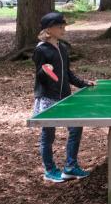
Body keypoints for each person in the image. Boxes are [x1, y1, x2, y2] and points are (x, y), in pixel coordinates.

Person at [32, 12, 97, 183]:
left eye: (64, 26)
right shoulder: (41, 49)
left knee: (76, 128)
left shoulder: (62, 48)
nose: (63, 29)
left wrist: (83, 83)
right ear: (48, 29)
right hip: (47, 97)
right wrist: (44, 70)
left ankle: (70, 167)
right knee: (48, 135)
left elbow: (67, 73)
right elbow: (40, 76)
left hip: (65, 97)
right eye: (59, 26)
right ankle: (49, 169)